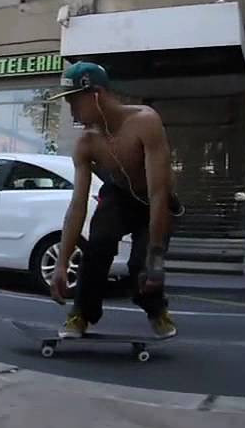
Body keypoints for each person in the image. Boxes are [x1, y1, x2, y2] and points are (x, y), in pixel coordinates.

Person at [47, 61, 179, 339]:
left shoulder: (145, 121)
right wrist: (61, 263)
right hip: (119, 197)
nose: (72, 111)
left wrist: (155, 259)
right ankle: (81, 313)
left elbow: (158, 193)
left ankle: (156, 311)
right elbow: (77, 206)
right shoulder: (86, 143)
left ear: (96, 94)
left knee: (141, 265)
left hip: (155, 199)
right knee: (99, 243)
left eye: (74, 102)